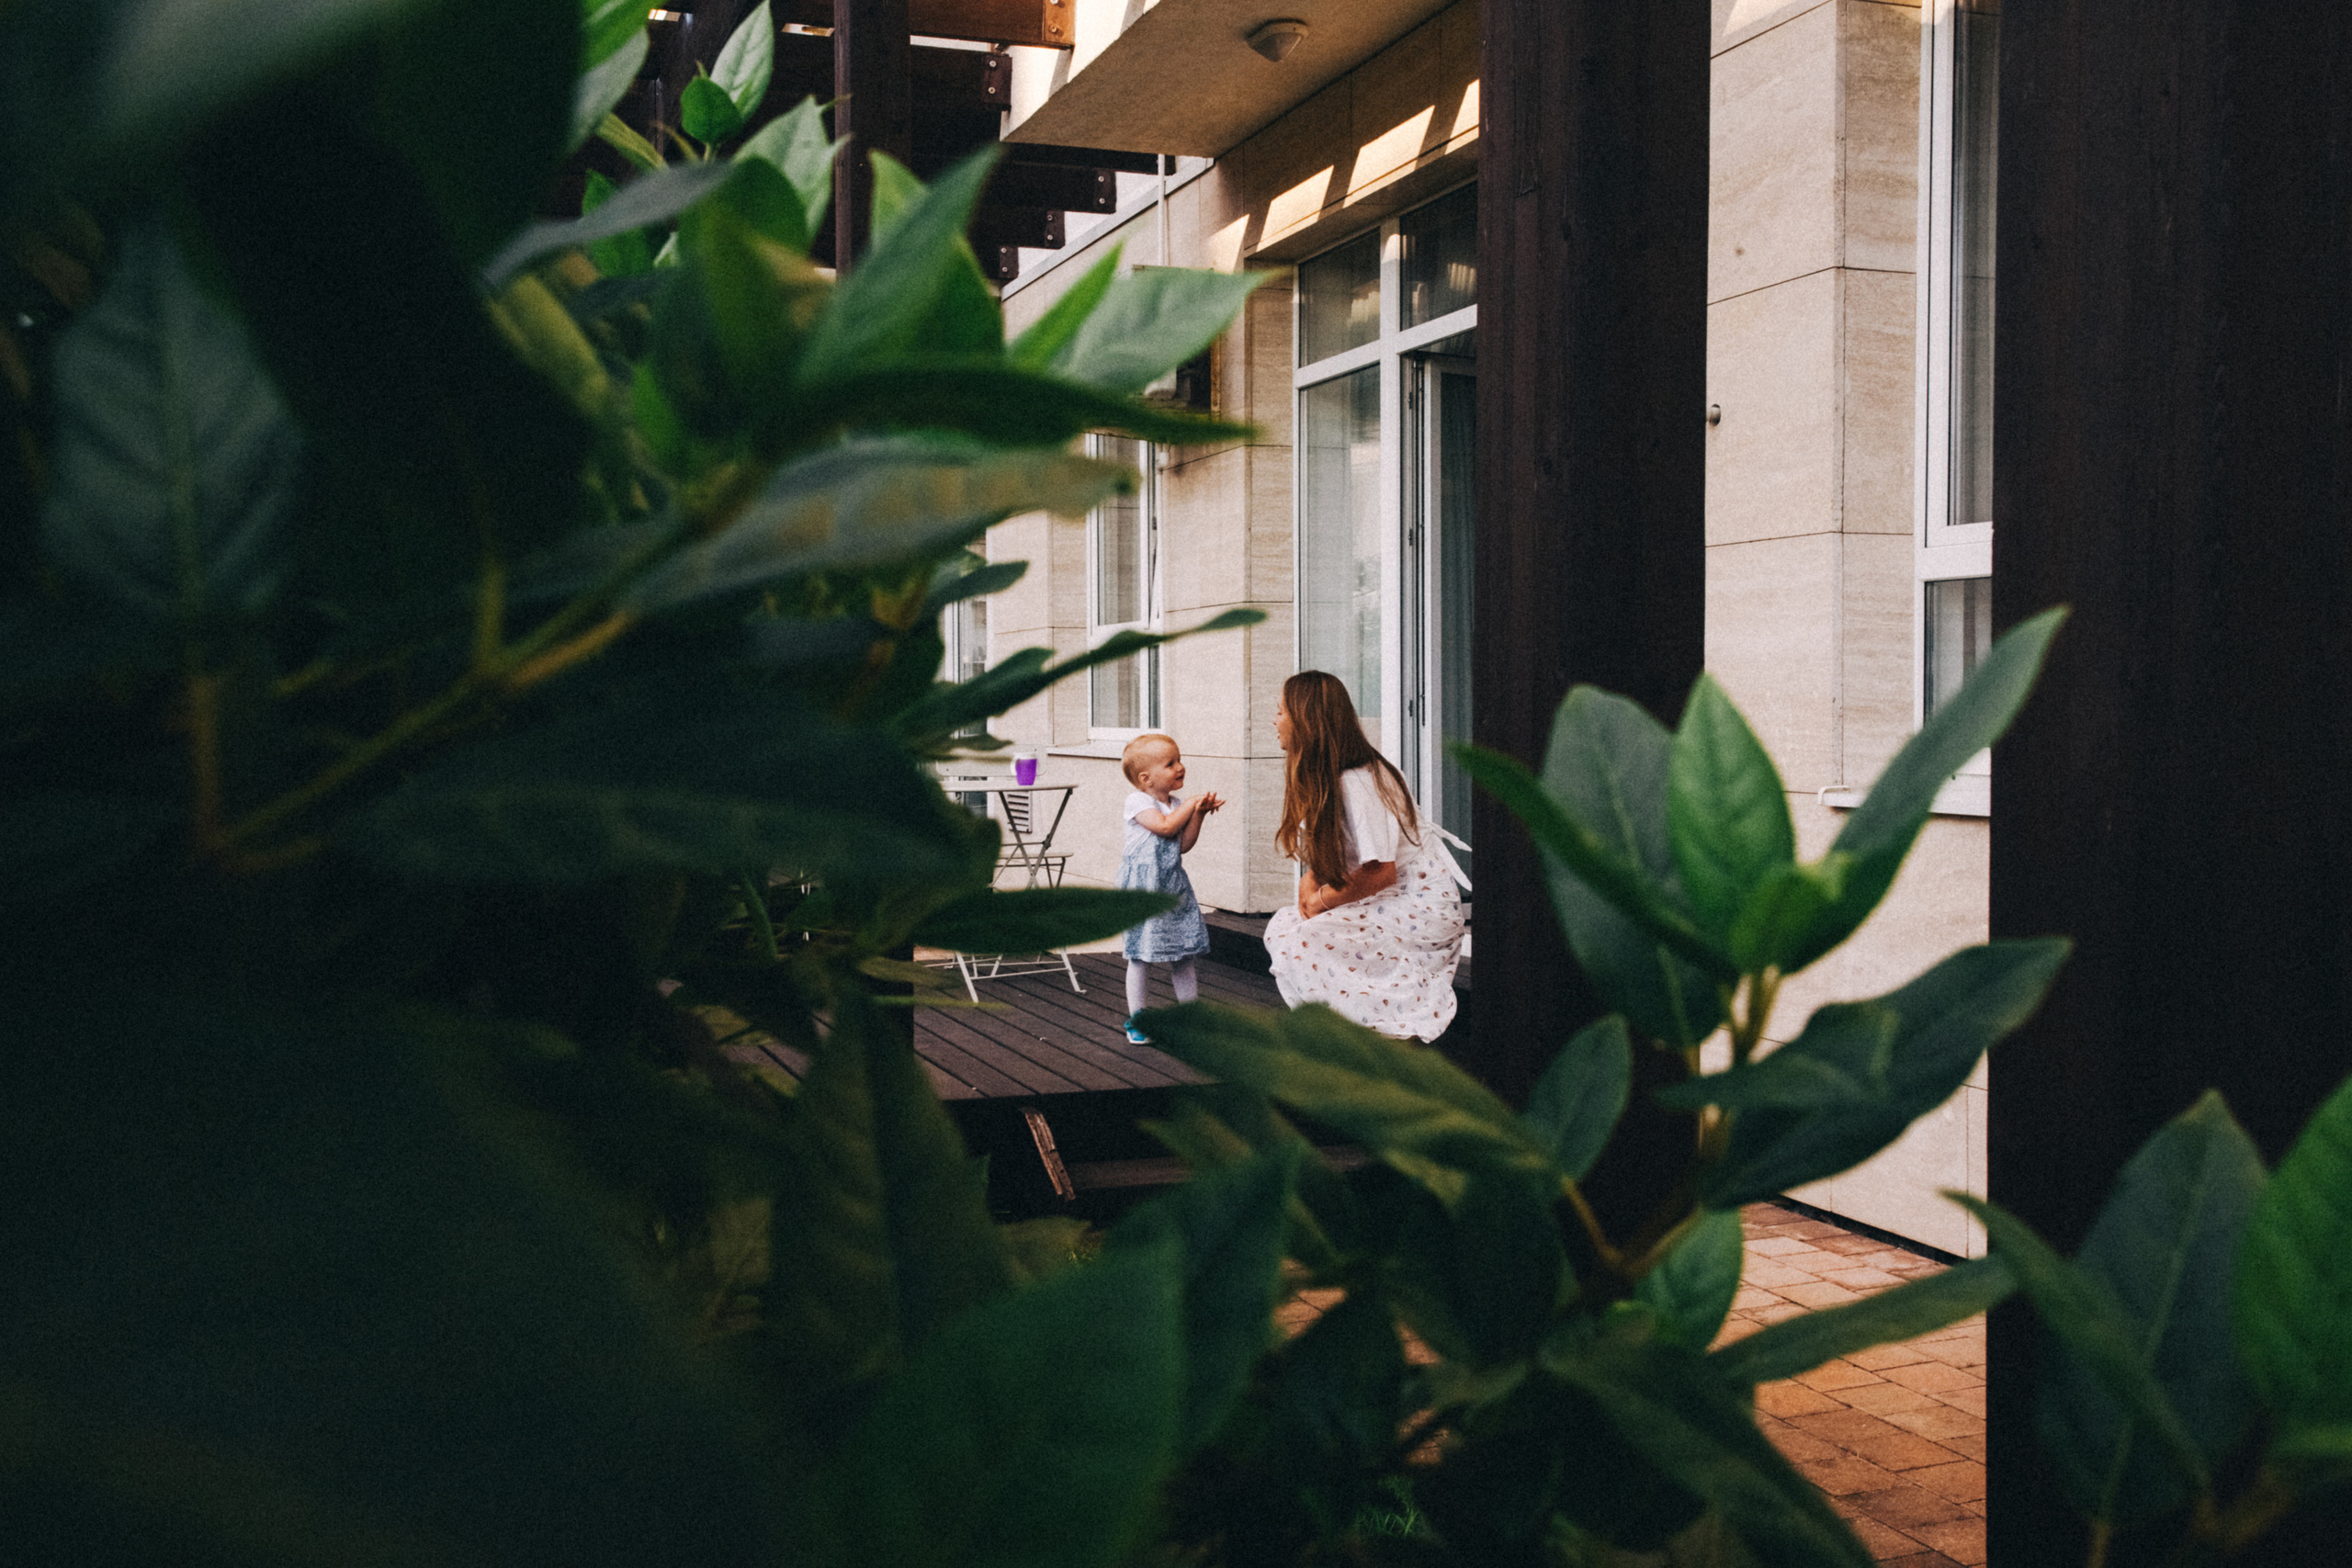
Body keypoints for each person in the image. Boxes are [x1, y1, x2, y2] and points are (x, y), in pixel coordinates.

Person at [1264, 671, 1469, 1042]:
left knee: (1314, 935)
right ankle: (1338, 1024)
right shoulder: (1330, 777)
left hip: (1419, 904)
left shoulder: (1358, 780)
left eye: (1281, 712)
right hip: (1384, 895)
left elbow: (1381, 873)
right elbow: (1331, 855)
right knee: (1285, 925)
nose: (1274, 720)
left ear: (1306, 720)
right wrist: (1308, 889)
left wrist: (1323, 901)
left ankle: (1374, 1025)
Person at [1115, 732, 1224, 1043]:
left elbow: (1182, 845)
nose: (1180, 767)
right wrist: (1190, 805)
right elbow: (1164, 828)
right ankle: (1139, 1019)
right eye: (1170, 763)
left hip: (1172, 886)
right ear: (1146, 778)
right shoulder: (1137, 801)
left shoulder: (1175, 804)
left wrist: (1198, 813)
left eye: (1179, 760)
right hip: (1143, 889)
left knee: (1183, 952)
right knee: (1141, 954)